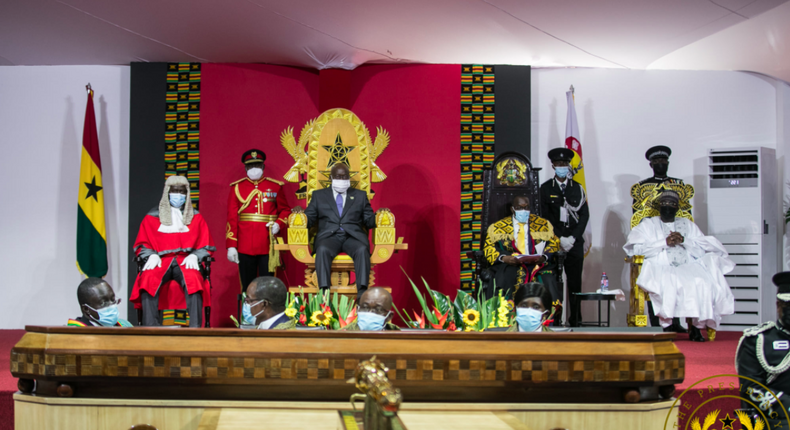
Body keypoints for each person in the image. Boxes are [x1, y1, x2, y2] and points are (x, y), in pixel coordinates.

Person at [623, 189, 734, 341]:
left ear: (677, 208)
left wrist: (684, 240)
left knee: (701, 282)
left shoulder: (687, 225)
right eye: (664, 203)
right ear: (659, 206)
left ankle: (695, 328)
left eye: (671, 204)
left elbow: (702, 249)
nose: (667, 207)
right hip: (660, 265)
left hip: (688, 265)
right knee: (669, 282)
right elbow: (638, 249)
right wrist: (664, 242)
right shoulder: (647, 225)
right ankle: (667, 327)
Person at [291, 163, 389, 298]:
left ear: (349, 178)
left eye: (344, 177)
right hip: (329, 237)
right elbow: (310, 219)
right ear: (331, 178)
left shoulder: (360, 196)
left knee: (361, 249)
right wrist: (300, 215)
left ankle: (362, 292)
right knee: (323, 249)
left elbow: (368, 220)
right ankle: (324, 291)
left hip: (352, 237)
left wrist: (379, 215)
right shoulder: (319, 196)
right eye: (338, 176)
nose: (341, 180)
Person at [130, 176, 215, 327]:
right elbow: (142, 243)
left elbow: (206, 245)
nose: (178, 195)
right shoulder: (152, 217)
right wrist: (151, 255)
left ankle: (196, 330)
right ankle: (150, 329)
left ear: (187, 194)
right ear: (167, 192)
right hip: (161, 260)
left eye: (182, 191)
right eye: (175, 191)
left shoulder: (196, 217)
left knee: (194, 279)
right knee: (148, 278)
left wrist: (195, 256)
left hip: (185, 260)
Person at [632, 145, 688, 332]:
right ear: (651, 164)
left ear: (668, 163)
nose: (660, 164)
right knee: (654, 276)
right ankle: (657, 322)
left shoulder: (678, 185)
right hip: (654, 239)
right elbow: (638, 218)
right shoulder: (643, 187)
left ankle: (677, 322)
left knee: (683, 273)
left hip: (677, 242)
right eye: (656, 162)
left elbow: (685, 216)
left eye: (663, 162)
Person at [226, 149, 290, 293]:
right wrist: (231, 245)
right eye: (250, 166)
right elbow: (232, 217)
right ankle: (247, 315)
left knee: (268, 285)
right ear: (245, 168)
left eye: (257, 165)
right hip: (244, 244)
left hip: (268, 242)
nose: (254, 169)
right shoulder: (237, 187)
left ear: (263, 167)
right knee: (247, 285)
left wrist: (278, 225)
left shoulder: (275, 186)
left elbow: (285, 210)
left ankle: (268, 315)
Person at [539, 147, 589, 327]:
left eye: (565, 164)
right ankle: (555, 319)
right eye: (559, 164)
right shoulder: (545, 189)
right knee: (553, 282)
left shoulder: (578, 188)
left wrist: (573, 238)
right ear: (553, 166)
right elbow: (544, 218)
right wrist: (559, 238)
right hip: (554, 243)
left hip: (574, 243)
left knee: (575, 284)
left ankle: (575, 319)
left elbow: (584, 215)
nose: (562, 166)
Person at [736, 272, 790, 427]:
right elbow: (751, 389)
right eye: (788, 306)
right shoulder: (758, 340)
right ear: (778, 306)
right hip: (775, 416)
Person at [483, 195, 561, 301]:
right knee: (506, 278)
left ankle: (549, 315)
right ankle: (506, 314)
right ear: (513, 209)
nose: (524, 211)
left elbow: (554, 243)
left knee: (548, 279)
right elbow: (489, 247)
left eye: (526, 207)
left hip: (537, 265)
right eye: (520, 208)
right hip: (510, 265)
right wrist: (504, 258)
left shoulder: (542, 224)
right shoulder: (498, 227)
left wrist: (544, 257)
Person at [68, 277, 132, 327]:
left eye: (113, 300)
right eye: (103, 303)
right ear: (86, 309)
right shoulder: (74, 335)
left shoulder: (125, 325)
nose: (111, 306)